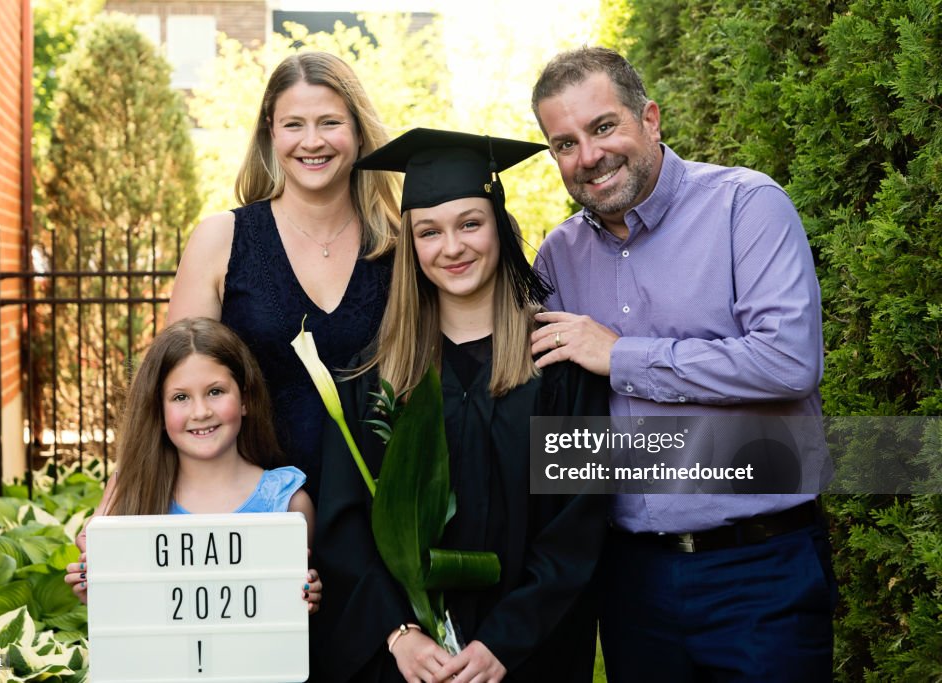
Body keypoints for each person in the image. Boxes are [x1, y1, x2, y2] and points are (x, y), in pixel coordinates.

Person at [528, 46, 836, 680]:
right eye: (564, 143)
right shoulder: (557, 257)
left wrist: (620, 355)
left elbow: (786, 361)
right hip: (630, 582)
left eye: (603, 126)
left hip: (760, 570)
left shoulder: (744, 207)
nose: (588, 156)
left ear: (651, 118)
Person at [313, 128, 609, 683]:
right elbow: (344, 526)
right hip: (412, 665)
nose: (452, 248)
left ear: (499, 224)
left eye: (470, 223)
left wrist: (504, 641)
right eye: (429, 232)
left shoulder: (560, 368)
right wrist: (400, 634)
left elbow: (577, 528)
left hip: (528, 656)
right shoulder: (376, 379)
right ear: (412, 245)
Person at [167, 52, 400, 501]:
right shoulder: (223, 239)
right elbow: (173, 387)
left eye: (330, 122)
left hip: (386, 518)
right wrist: (114, 512)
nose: (311, 141)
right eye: (294, 125)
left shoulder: (401, 244)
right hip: (260, 518)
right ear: (270, 133)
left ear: (358, 131)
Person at [64, 318, 321, 614]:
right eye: (180, 397)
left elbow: (285, 616)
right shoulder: (130, 491)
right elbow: (125, 610)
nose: (200, 412)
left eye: (215, 391)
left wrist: (302, 599)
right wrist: (96, 592)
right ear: (158, 411)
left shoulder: (287, 503)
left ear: (245, 399)